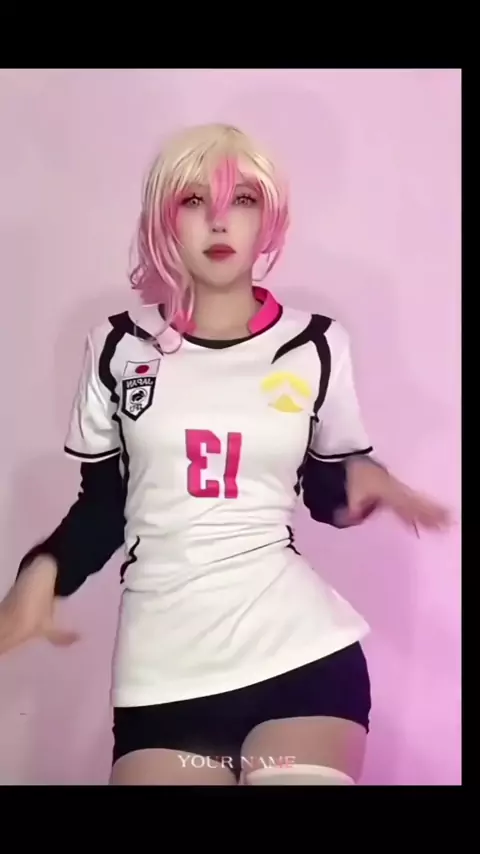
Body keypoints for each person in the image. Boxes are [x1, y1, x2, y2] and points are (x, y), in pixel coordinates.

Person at [0, 123, 450, 786]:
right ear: (165, 218)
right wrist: (44, 572)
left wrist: (365, 484)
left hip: (300, 662)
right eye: (193, 201)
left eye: (242, 200)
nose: (218, 220)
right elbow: (106, 504)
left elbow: (325, 493)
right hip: (162, 678)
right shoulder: (117, 346)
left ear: (267, 220)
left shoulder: (315, 344)